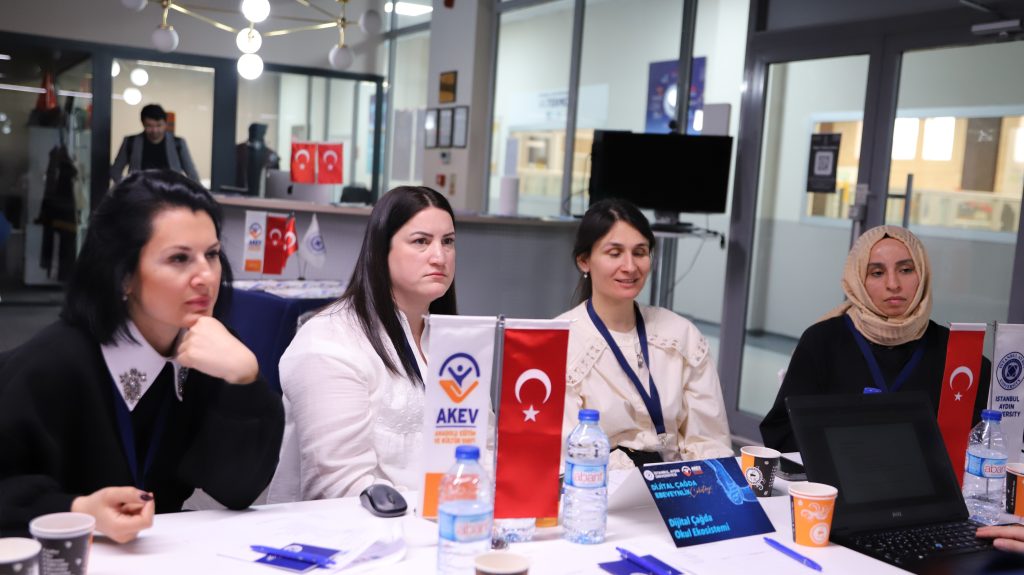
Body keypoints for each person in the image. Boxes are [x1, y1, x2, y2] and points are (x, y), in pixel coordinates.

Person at [0, 170, 284, 542]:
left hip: (153, 554)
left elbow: (236, 489)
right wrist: (77, 509)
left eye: (212, 254)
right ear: (123, 276)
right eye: (179, 258)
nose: (206, 276)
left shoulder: (208, 350)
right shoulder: (54, 364)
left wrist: (245, 379)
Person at [267, 186, 457, 502]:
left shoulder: (455, 342)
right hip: (356, 526)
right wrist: (444, 506)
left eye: (447, 242)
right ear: (382, 250)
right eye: (421, 241)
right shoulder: (329, 340)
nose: (439, 257)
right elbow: (340, 486)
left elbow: (484, 447)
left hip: (449, 520)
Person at [760, 225, 991, 452]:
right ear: (858, 280)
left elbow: (984, 440)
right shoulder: (822, 341)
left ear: (923, 275)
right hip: (840, 474)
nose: (893, 284)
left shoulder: (956, 352)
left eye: (906, 270)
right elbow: (781, 432)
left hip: (928, 477)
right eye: (877, 273)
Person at [557, 199, 733, 469]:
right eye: (614, 253)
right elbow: (566, 451)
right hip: (598, 485)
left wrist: (695, 478)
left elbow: (710, 440)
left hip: (678, 484)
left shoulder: (682, 336)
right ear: (584, 261)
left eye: (640, 252)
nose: (630, 266)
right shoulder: (560, 341)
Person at [110, 104, 200, 184]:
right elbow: (115, 171)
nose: (154, 130)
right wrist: (127, 187)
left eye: (159, 125)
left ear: (165, 124)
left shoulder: (178, 143)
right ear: (143, 124)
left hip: (170, 193)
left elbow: (192, 174)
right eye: (149, 126)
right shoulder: (131, 142)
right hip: (139, 193)